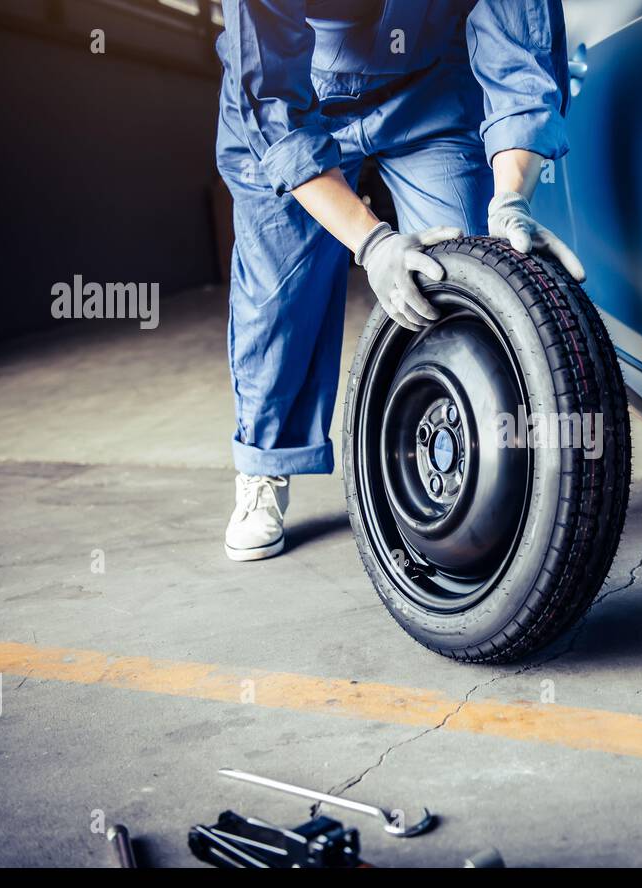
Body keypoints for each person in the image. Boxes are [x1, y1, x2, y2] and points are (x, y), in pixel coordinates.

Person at [216, 0, 584, 561]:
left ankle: (471, 465)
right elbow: (269, 101)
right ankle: (265, 467)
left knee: (461, 276)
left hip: (425, 89)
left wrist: (511, 197)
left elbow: (520, 47)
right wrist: (371, 242)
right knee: (278, 297)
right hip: (292, 102)